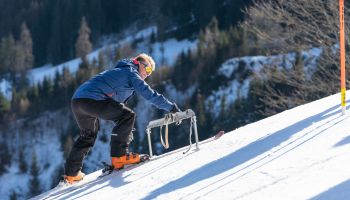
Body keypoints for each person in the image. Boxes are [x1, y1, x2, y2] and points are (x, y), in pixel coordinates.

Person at [63, 53, 181, 184]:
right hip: (92, 99)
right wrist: (171, 107)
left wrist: (126, 131)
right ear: (139, 63)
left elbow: (115, 108)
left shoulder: (121, 72)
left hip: (78, 101)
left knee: (88, 134)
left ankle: (71, 174)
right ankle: (119, 156)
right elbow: (149, 94)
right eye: (148, 69)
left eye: (151, 72)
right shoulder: (131, 72)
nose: (148, 74)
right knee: (128, 116)